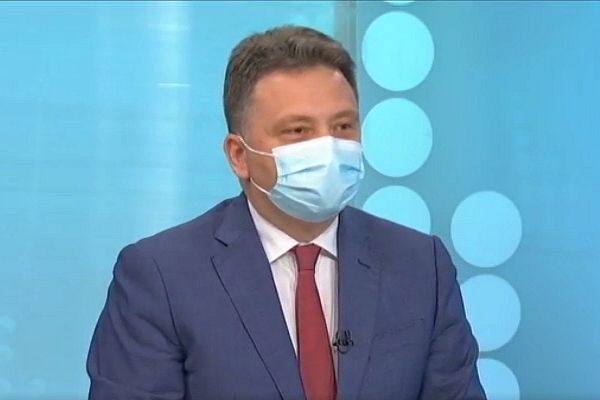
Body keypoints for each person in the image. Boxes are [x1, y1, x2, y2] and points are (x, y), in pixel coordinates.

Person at [87, 25, 486, 400]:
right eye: (298, 131)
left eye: (343, 126)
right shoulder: (161, 276)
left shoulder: (421, 266)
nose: (328, 147)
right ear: (239, 155)